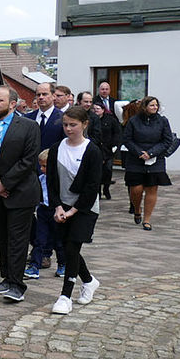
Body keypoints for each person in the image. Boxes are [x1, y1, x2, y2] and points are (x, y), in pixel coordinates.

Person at [0, 85, 41, 303]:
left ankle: (17, 285)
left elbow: (28, 160)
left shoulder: (29, 127)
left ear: (13, 104)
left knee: (17, 240)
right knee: (2, 239)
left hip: (20, 193)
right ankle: (6, 278)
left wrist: (6, 184)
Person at [47, 106, 103, 314]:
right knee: (67, 247)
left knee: (72, 247)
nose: (68, 129)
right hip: (62, 206)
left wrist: (73, 211)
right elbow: (51, 182)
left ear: (85, 124)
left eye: (73, 125)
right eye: (65, 125)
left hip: (85, 208)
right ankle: (88, 281)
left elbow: (92, 186)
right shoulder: (56, 149)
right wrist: (58, 207)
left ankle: (65, 296)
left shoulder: (93, 151)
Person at [122, 95, 174, 231]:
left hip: (156, 158)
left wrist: (151, 153)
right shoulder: (133, 121)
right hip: (136, 158)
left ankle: (147, 219)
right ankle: (137, 209)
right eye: (152, 105)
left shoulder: (162, 121)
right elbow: (127, 139)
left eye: (156, 105)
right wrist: (139, 152)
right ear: (144, 107)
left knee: (152, 188)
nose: (155, 107)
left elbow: (167, 140)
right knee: (136, 189)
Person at [24, 150, 66, 280]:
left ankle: (62, 264)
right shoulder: (40, 179)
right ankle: (34, 266)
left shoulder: (61, 180)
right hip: (43, 211)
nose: (42, 169)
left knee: (59, 241)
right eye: (40, 166)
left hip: (56, 211)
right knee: (39, 240)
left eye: (45, 166)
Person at [90, 98, 122, 200]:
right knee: (97, 171)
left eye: (98, 109)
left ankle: (106, 189)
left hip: (108, 149)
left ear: (103, 110)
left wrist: (115, 145)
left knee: (108, 170)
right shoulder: (92, 120)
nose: (96, 111)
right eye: (94, 109)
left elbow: (117, 133)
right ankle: (98, 191)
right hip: (96, 148)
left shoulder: (110, 120)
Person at [27, 81, 64, 150]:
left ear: (54, 96)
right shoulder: (27, 118)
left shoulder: (62, 118)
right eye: (38, 95)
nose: (41, 97)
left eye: (44, 94)